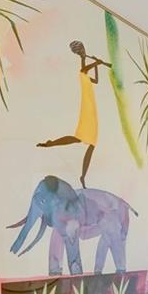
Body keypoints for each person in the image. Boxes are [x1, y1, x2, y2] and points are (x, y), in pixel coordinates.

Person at [37, 40, 111, 188]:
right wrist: (96, 63)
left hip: (92, 109)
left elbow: (96, 80)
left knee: (85, 141)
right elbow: (84, 68)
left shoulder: (86, 77)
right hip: (88, 108)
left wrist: (97, 64)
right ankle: (52, 144)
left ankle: (82, 175)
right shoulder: (82, 74)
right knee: (83, 139)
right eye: (82, 54)